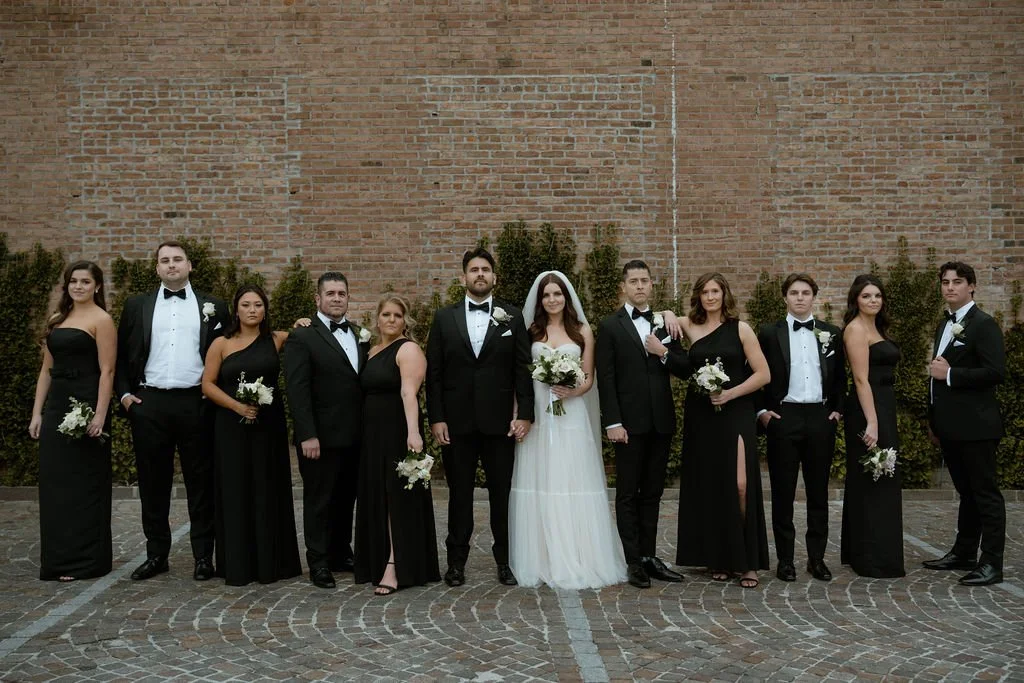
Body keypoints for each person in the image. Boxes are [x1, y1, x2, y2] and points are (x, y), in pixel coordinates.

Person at [116, 241, 230, 581]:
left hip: (197, 403)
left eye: (177, 259)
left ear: (190, 265)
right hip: (149, 403)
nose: (171, 265)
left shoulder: (214, 306)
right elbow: (122, 355)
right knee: (153, 484)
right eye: (164, 261)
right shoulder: (137, 306)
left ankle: (203, 558)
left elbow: (229, 354)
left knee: (201, 483)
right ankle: (156, 555)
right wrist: (124, 396)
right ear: (156, 268)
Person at [509, 271, 627, 589]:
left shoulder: (582, 332)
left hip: (571, 416)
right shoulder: (531, 331)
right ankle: (543, 557)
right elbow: (519, 377)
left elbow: (589, 378)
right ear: (540, 299)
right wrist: (519, 413)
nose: (551, 300)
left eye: (557, 294)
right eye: (546, 295)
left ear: (566, 297)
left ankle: (579, 554)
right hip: (540, 419)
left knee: (572, 479)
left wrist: (571, 391)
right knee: (542, 478)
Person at [426, 247, 534, 587]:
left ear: (494, 277)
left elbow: (522, 369)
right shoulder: (444, 318)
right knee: (459, 495)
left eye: (485, 269)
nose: (480, 274)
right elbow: (435, 374)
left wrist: (526, 415)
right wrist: (437, 418)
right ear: (463, 278)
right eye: (474, 269)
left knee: (502, 494)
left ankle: (505, 562)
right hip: (456, 425)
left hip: (500, 423)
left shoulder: (512, 317)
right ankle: (456, 563)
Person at [596, 260, 691, 589]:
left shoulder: (666, 323)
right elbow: (606, 379)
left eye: (644, 280)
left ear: (652, 285)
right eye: (633, 281)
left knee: (652, 493)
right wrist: (613, 422)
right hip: (627, 425)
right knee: (627, 494)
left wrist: (662, 351)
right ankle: (633, 561)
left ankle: (650, 557)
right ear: (624, 286)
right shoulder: (610, 326)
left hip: (660, 422)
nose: (639, 286)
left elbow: (684, 366)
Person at [674, 272, 771, 588]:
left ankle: (748, 562)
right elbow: (666, 319)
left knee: (741, 484)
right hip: (703, 415)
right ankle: (720, 558)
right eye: (704, 292)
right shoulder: (690, 325)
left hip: (737, 411)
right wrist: (664, 314)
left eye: (715, 291)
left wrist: (730, 393)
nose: (710, 297)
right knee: (712, 486)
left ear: (724, 294)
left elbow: (763, 374)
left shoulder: (741, 328)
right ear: (698, 296)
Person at [200, 284, 301, 586]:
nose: (253, 310)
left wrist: (303, 323)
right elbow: (207, 384)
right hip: (231, 427)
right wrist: (237, 407)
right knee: (235, 489)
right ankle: (238, 563)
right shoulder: (221, 343)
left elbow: (307, 339)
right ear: (236, 309)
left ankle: (272, 562)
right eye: (246, 305)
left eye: (258, 305)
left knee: (267, 487)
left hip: (268, 427)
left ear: (265, 309)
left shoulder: (277, 339)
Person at [29, 261, 115, 582]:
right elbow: (45, 371)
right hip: (57, 407)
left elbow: (107, 371)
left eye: (85, 281)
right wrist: (38, 412)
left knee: (84, 484)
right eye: (73, 281)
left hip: (87, 406)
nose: (78, 286)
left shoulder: (102, 320)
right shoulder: (57, 320)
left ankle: (85, 561)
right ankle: (58, 559)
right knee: (56, 485)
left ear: (97, 286)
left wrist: (100, 416)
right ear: (67, 286)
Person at [757, 273, 846, 582]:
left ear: (814, 297)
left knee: (818, 491)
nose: (799, 297)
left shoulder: (831, 333)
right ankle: (785, 560)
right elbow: (754, 372)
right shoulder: (769, 333)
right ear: (785, 297)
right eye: (793, 292)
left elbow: (840, 378)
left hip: (821, 418)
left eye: (805, 292)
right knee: (782, 492)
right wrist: (763, 412)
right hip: (784, 417)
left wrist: (836, 410)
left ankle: (816, 558)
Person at [924, 262, 1006, 586]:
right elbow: (935, 377)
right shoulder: (943, 324)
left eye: (957, 282)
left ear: (971, 286)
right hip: (950, 427)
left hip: (978, 427)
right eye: (945, 282)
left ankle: (992, 563)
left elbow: (996, 372)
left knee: (985, 494)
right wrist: (934, 420)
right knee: (966, 493)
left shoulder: (984, 324)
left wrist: (952, 375)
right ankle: (964, 552)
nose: (950, 287)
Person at [283, 272, 368, 589]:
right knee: (320, 500)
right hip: (319, 437)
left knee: (346, 499)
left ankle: (340, 552)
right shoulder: (303, 337)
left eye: (341, 293)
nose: (336, 298)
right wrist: (307, 434)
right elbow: (297, 389)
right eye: (330, 293)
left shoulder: (360, 334)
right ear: (317, 299)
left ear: (348, 298)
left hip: (355, 435)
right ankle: (318, 561)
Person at [354, 295, 440, 595]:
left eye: (397, 315)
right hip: (371, 434)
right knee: (376, 494)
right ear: (377, 319)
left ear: (405, 321)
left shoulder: (409, 349)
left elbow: (408, 393)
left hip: (397, 431)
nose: (391, 320)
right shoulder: (370, 349)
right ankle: (376, 559)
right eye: (386, 314)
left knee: (396, 498)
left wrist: (413, 433)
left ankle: (395, 565)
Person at [840, 274, 905, 578]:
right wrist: (873, 422)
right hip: (868, 409)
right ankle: (871, 557)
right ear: (856, 299)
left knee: (884, 478)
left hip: (884, 405)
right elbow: (860, 378)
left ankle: (875, 551)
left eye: (877, 295)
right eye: (867, 296)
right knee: (873, 476)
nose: (873, 301)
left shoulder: (877, 327)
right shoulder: (854, 330)